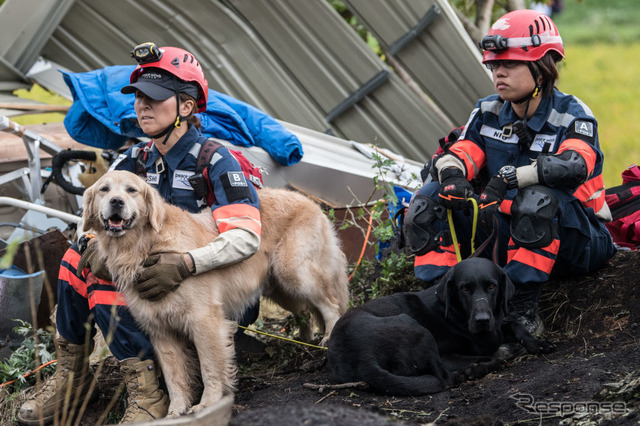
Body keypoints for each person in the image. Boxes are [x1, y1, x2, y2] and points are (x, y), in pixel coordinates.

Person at [18, 43, 262, 424]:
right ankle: (73, 377)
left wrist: (187, 263)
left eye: (156, 98)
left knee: (113, 282)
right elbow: (99, 214)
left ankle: (147, 393)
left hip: (207, 294)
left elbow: (247, 237)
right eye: (138, 97)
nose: (142, 106)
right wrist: (93, 243)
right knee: (74, 260)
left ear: (186, 106)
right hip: (149, 295)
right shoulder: (134, 160)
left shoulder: (214, 160)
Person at [404, 9, 616, 336]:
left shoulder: (573, 114)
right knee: (427, 200)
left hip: (578, 240)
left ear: (542, 68)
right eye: (494, 65)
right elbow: (460, 153)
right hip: (510, 231)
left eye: (510, 64)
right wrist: (452, 177)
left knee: (536, 202)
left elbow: (575, 164)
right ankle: (441, 304)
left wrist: (513, 178)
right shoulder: (488, 110)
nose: (499, 73)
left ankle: (522, 311)